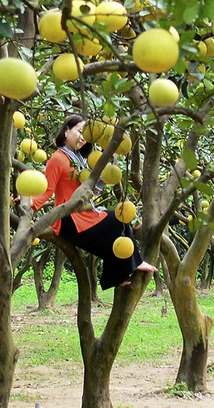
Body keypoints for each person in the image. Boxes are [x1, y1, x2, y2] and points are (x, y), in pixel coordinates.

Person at [31, 115, 152, 289]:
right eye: (79, 131)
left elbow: (87, 191)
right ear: (66, 130)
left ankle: (116, 277)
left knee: (115, 234)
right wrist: (29, 202)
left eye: (85, 134)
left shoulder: (79, 158)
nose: (82, 137)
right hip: (69, 218)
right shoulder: (58, 158)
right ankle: (135, 263)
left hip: (83, 214)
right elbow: (46, 190)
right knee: (119, 218)